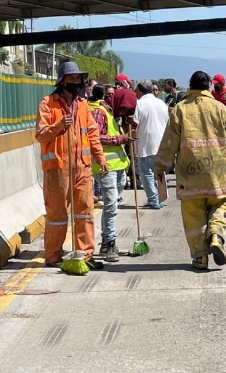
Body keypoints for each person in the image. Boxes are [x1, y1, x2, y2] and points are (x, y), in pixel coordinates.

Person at [154, 71, 226, 270]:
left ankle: (200, 257)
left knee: (193, 216)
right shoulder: (220, 108)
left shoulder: (179, 109)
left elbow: (169, 142)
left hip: (190, 176)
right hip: (218, 175)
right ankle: (216, 236)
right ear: (208, 87)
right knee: (220, 206)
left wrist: (160, 167)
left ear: (190, 86)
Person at [36, 62, 108, 269]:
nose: (76, 82)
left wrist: (100, 157)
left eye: (78, 79)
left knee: (85, 211)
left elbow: (92, 133)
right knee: (57, 215)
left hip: (82, 167)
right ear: (62, 81)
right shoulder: (48, 103)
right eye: (72, 79)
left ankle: (85, 254)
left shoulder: (83, 105)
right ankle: (54, 255)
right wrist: (59, 126)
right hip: (57, 168)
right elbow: (41, 135)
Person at [88, 85, 134, 261]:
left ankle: (106, 243)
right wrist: (120, 138)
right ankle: (111, 243)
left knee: (111, 205)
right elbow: (96, 137)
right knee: (111, 205)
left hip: (118, 166)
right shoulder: (99, 112)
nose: (123, 112)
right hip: (105, 166)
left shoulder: (112, 113)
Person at [133, 79, 169, 209]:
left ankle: (153, 199)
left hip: (146, 144)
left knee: (146, 172)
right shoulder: (161, 103)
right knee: (158, 172)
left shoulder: (139, 104)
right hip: (162, 143)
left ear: (140, 91)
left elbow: (134, 125)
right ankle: (160, 197)